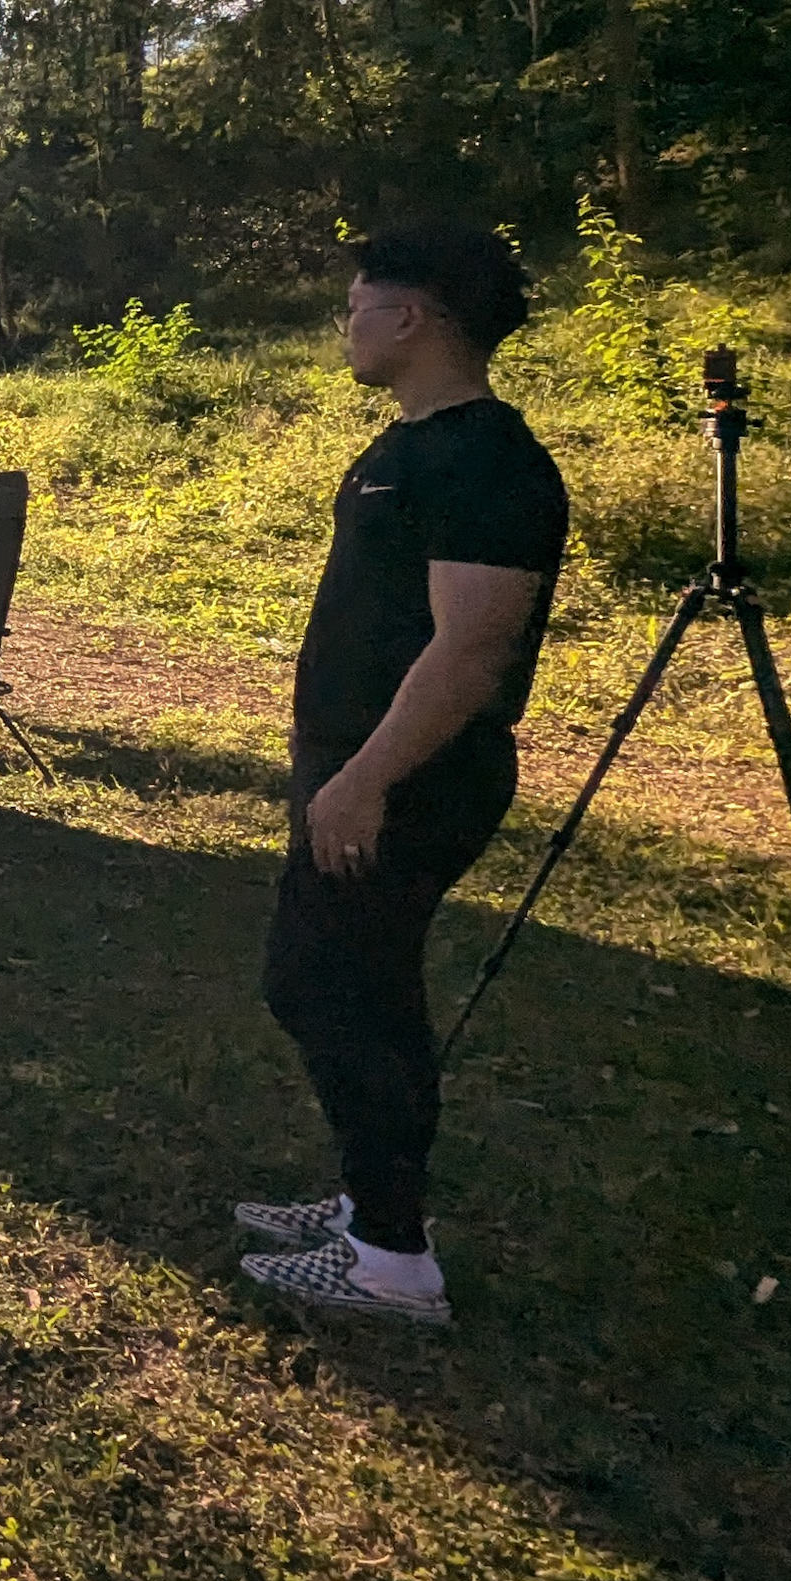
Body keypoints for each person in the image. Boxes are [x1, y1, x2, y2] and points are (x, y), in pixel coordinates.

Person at [235, 223, 568, 1328]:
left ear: (412, 314)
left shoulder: (487, 458)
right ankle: (368, 1206)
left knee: (332, 987)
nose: (348, 322)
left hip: (409, 775)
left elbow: (472, 647)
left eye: (357, 302)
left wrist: (367, 777)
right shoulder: (409, 446)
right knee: (352, 986)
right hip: (355, 763)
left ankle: (390, 1258)